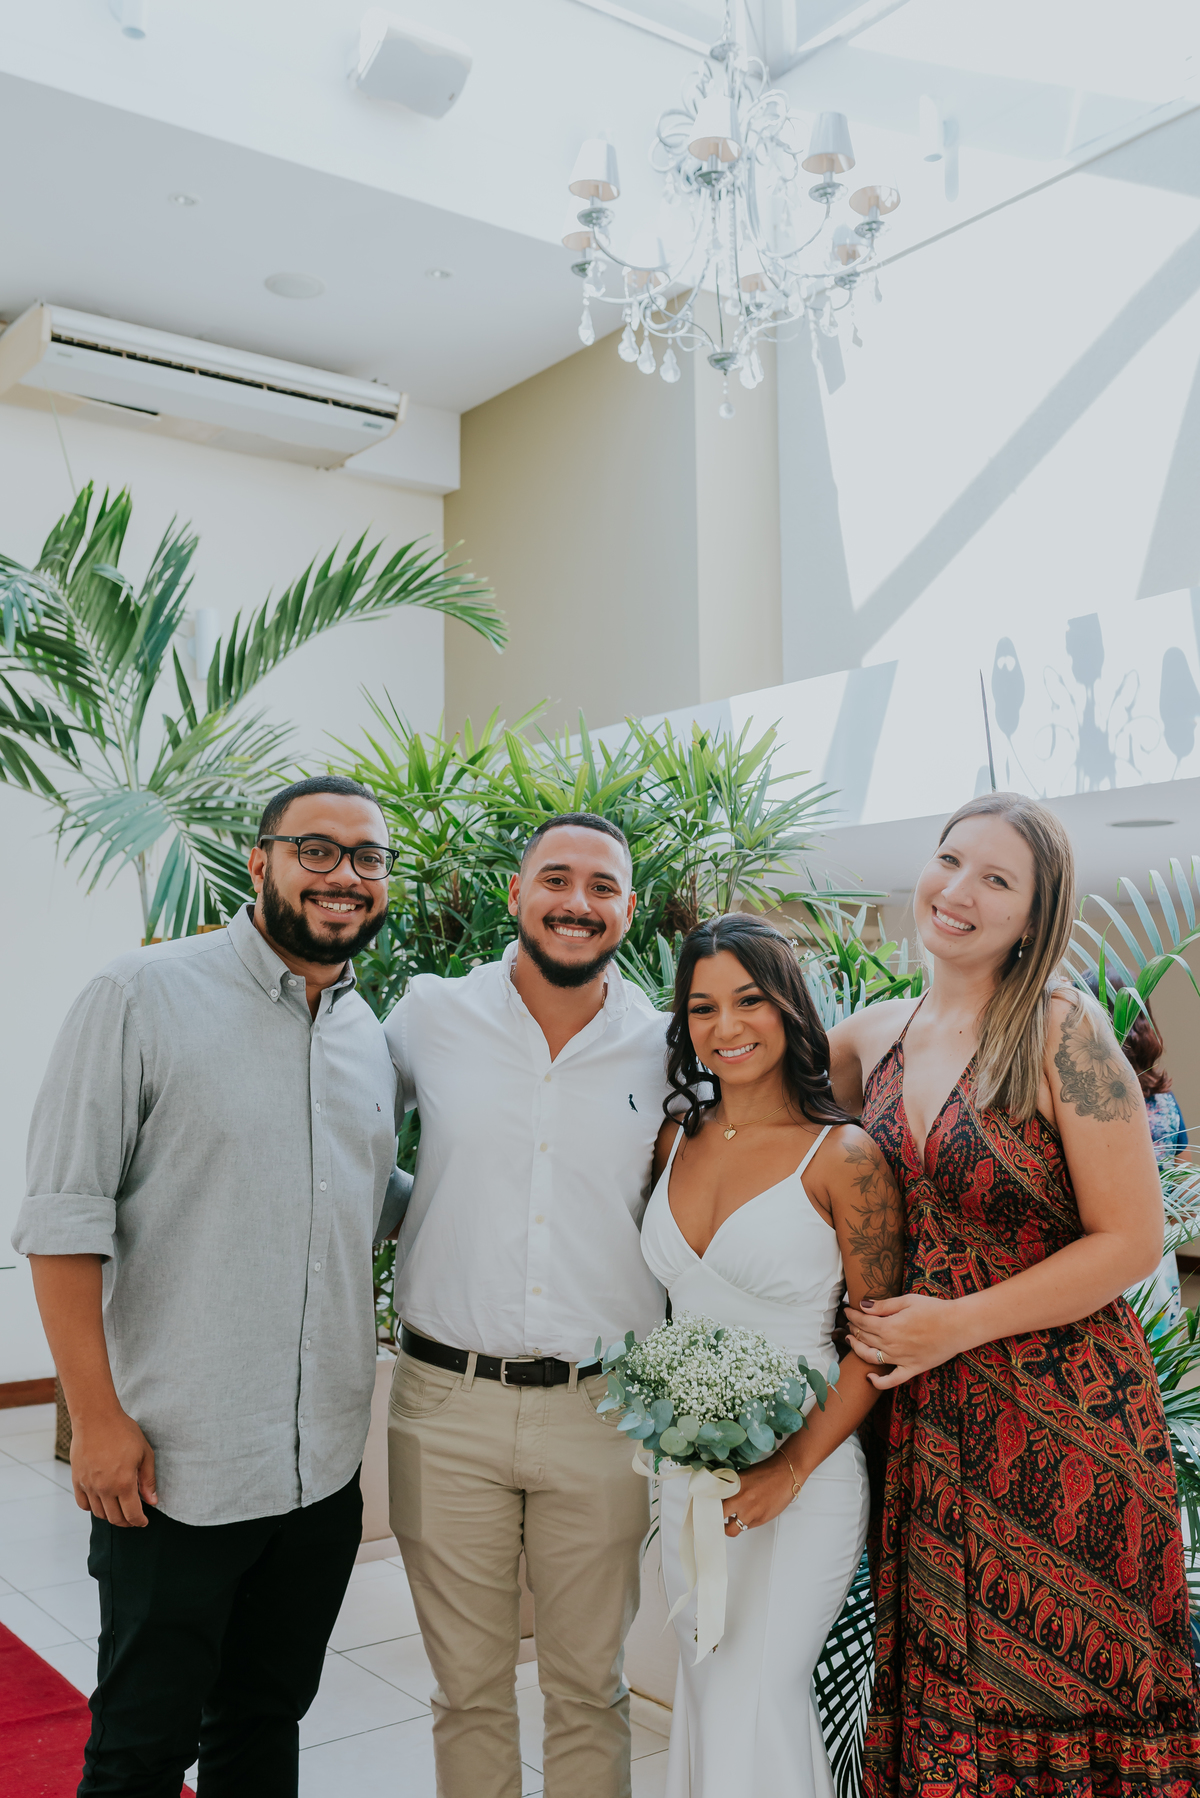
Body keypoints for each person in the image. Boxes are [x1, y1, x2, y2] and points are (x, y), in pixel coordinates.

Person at [12, 775, 411, 1798]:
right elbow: (62, 1224)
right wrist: (96, 1420)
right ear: (260, 861)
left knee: (263, 1723)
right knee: (141, 1749)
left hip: (318, 1472)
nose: (344, 877)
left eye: (367, 858)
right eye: (315, 850)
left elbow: (384, 1198)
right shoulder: (139, 997)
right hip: (175, 1471)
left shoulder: (369, 1036)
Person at [828, 792, 1200, 1798]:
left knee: (1060, 1701)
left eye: (997, 880)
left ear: (1035, 917)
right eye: (950, 860)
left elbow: (1132, 1237)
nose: (957, 892)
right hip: (931, 1433)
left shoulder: (1062, 1031)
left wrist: (956, 1322)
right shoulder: (865, 1039)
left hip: (1066, 1429)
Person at [384, 811, 671, 1798]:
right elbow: (342, 1147)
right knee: (466, 1690)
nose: (576, 902)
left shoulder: (671, 1050)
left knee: (590, 1688)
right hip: (445, 1403)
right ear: (516, 893)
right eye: (556, 878)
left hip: (605, 1406)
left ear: (628, 909)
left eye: (601, 886)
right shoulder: (428, 1014)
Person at [641, 913, 906, 1798]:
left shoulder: (847, 1157)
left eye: (750, 1000)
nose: (727, 1026)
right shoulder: (673, 1139)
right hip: (686, 1477)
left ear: (790, 1007)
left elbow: (876, 1348)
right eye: (703, 1007)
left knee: (762, 1694)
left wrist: (787, 1470)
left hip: (807, 1480)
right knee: (711, 1688)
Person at [1087, 973, 1188, 1324]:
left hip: (1104, 1258)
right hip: (1157, 1255)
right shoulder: (1164, 1100)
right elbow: (1183, 1185)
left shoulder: (1088, 1104)